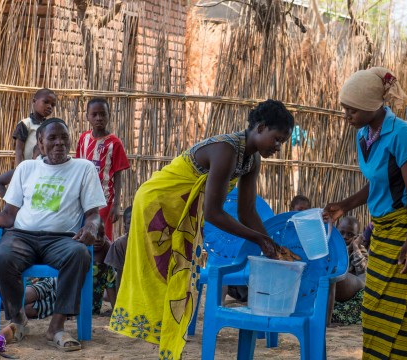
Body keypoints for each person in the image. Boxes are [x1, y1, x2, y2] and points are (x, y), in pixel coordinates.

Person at [110, 99, 297, 359]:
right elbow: (213, 213)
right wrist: (258, 238)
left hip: (182, 208)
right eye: (277, 139)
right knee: (162, 273)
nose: (278, 147)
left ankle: (170, 344)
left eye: (282, 142)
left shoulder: (251, 160)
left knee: (182, 276)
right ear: (261, 127)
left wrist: (270, 243)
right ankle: (155, 331)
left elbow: (247, 212)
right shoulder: (226, 150)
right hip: (158, 202)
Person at [324, 67, 407, 359]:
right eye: (344, 109)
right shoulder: (364, 134)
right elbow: (378, 182)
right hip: (385, 230)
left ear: (373, 106)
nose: (346, 115)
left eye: (352, 110)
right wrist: (344, 205)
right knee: (376, 308)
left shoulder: (402, 134)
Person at [0, 118, 107, 352]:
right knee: (1, 258)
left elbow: (93, 214)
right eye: (52, 139)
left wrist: (91, 227)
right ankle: (17, 319)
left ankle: (56, 327)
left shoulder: (83, 168)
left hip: (61, 240)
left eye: (64, 138)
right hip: (22, 236)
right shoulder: (27, 168)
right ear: (41, 142)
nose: (59, 144)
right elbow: (8, 215)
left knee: (79, 255)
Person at [75, 98, 130, 240]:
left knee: (102, 235)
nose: (99, 118)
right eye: (94, 114)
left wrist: (117, 204)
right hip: (83, 196)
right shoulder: (83, 139)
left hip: (104, 199)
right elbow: (77, 166)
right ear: (87, 116)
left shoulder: (114, 143)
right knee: (83, 230)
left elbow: (118, 174)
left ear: (108, 115)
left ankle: (103, 262)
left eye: (102, 114)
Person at [329, 216, 367, 326]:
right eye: (342, 233)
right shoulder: (332, 247)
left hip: (352, 296)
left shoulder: (359, 250)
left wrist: (355, 247)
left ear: (357, 237)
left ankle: (330, 318)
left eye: (350, 235)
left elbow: (363, 271)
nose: (345, 237)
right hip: (336, 296)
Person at [13, 88, 57, 167]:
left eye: (52, 105)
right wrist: (19, 168)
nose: (50, 107)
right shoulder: (26, 124)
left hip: (44, 168)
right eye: (46, 102)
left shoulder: (49, 127)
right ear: (34, 101)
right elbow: (19, 150)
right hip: (28, 168)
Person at [105, 205, 132, 291]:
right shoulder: (119, 245)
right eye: (130, 222)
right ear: (125, 227)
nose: (134, 224)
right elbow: (118, 277)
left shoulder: (150, 243)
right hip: (126, 286)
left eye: (137, 220)